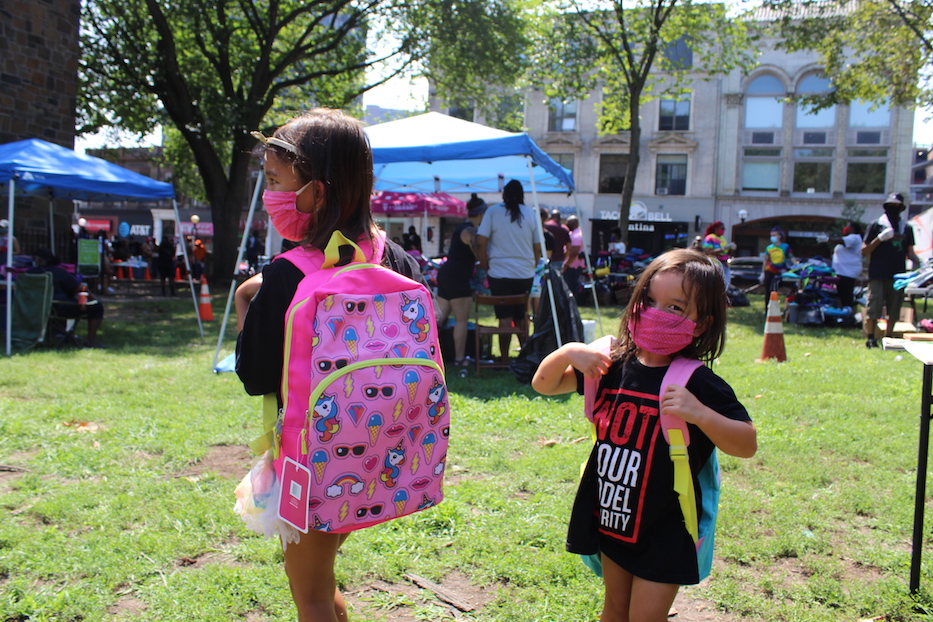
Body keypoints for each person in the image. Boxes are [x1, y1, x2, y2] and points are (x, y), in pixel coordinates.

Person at [234, 108, 429, 622]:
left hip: (311, 463)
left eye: (276, 182)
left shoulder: (284, 276)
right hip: (385, 457)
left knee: (311, 596)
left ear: (317, 193)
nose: (270, 194)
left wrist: (246, 311)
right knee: (321, 575)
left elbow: (255, 376)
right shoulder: (400, 261)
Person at [531, 249, 756, 622]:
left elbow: (746, 444)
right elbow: (544, 384)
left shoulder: (697, 382)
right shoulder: (611, 364)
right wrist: (570, 351)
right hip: (615, 517)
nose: (654, 313)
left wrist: (698, 413)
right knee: (615, 609)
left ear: (700, 325)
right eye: (648, 300)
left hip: (666, 527)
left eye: (674, 308)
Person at [475, 179, 542, 362]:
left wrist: (485, 265)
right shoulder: (530, 214)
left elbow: (480, 242)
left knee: (504, 317)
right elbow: (538, 247)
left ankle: (504, 359)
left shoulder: (493, 212)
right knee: (522, 316)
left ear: (504, 194)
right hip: (525, 273)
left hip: (499, 273)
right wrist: (532, 265)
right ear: (522, 195)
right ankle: (524, 357)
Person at [862, 192, 920, 348]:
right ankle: (871, 338)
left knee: (894, 309)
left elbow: (910, 253)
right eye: (890, 206)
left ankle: (888, 339)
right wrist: (879, 239)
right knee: (873, 307)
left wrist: (921, 264)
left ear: (901, 208)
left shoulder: (906, 228)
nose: (893, 209)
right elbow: (865, 250)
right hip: (878, 274)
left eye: (897, 206)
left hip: (898, 276)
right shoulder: (876, 225)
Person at [436, 194, 487, 366]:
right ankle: (459, 359)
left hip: (446, 274)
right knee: (461, 320)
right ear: (482, 214)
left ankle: (424, 356)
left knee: (437, 321)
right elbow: (479, 253)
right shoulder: (470, 231)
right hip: (457, 276)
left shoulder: (462, 228)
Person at [29, 248, 105, 348]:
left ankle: (67, 335)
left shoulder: (29, 273)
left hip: (34, 308)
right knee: (96, 306)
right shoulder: (59, 272)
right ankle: (89, 342)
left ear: (39, 259)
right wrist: (94, 298)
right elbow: (79, 288)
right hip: (58, 308)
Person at [830, 221, 864, 309]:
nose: (845, 228)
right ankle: (845, 312)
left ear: (852, 228)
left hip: (847, 272)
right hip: (843, 271)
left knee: (846, 295)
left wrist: (827, 239)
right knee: (843, 295)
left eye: (847, 227)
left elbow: (840, 240)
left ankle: (848, 315)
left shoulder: (854, 237)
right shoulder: (852, 238)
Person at [762, 227, 794, 309]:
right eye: (771, 235)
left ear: (779, 236)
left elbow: (791, 257)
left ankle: (775, 308)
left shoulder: (785, 246)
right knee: (768, 291)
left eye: (774, 235)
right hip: (769, 270)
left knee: (775, 290)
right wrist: (762, 273)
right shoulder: (769, 248)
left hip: (780, 271)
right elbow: (765, 260)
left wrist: (795, 266)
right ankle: (767, 310)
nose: (772, 237)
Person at [701, 221, 736, 287]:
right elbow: (707, 252)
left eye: (724, 229)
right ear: (716, 228)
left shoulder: (723, 238)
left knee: (725, 285)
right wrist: (722, 249)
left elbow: (725, 253)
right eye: (722, 228)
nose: (723, 230)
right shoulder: (710, 238)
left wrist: (731, 248)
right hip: (714, 264)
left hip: (725, 264)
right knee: (716, 285)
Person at [563, 215, 585, 296]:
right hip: (571, 265)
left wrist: (566, 264)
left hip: (573, 266)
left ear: (575, 223)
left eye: (569, 223)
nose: (567, 225)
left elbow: (574, 253)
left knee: (570, 288)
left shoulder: (577, 235)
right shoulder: (573, 233)